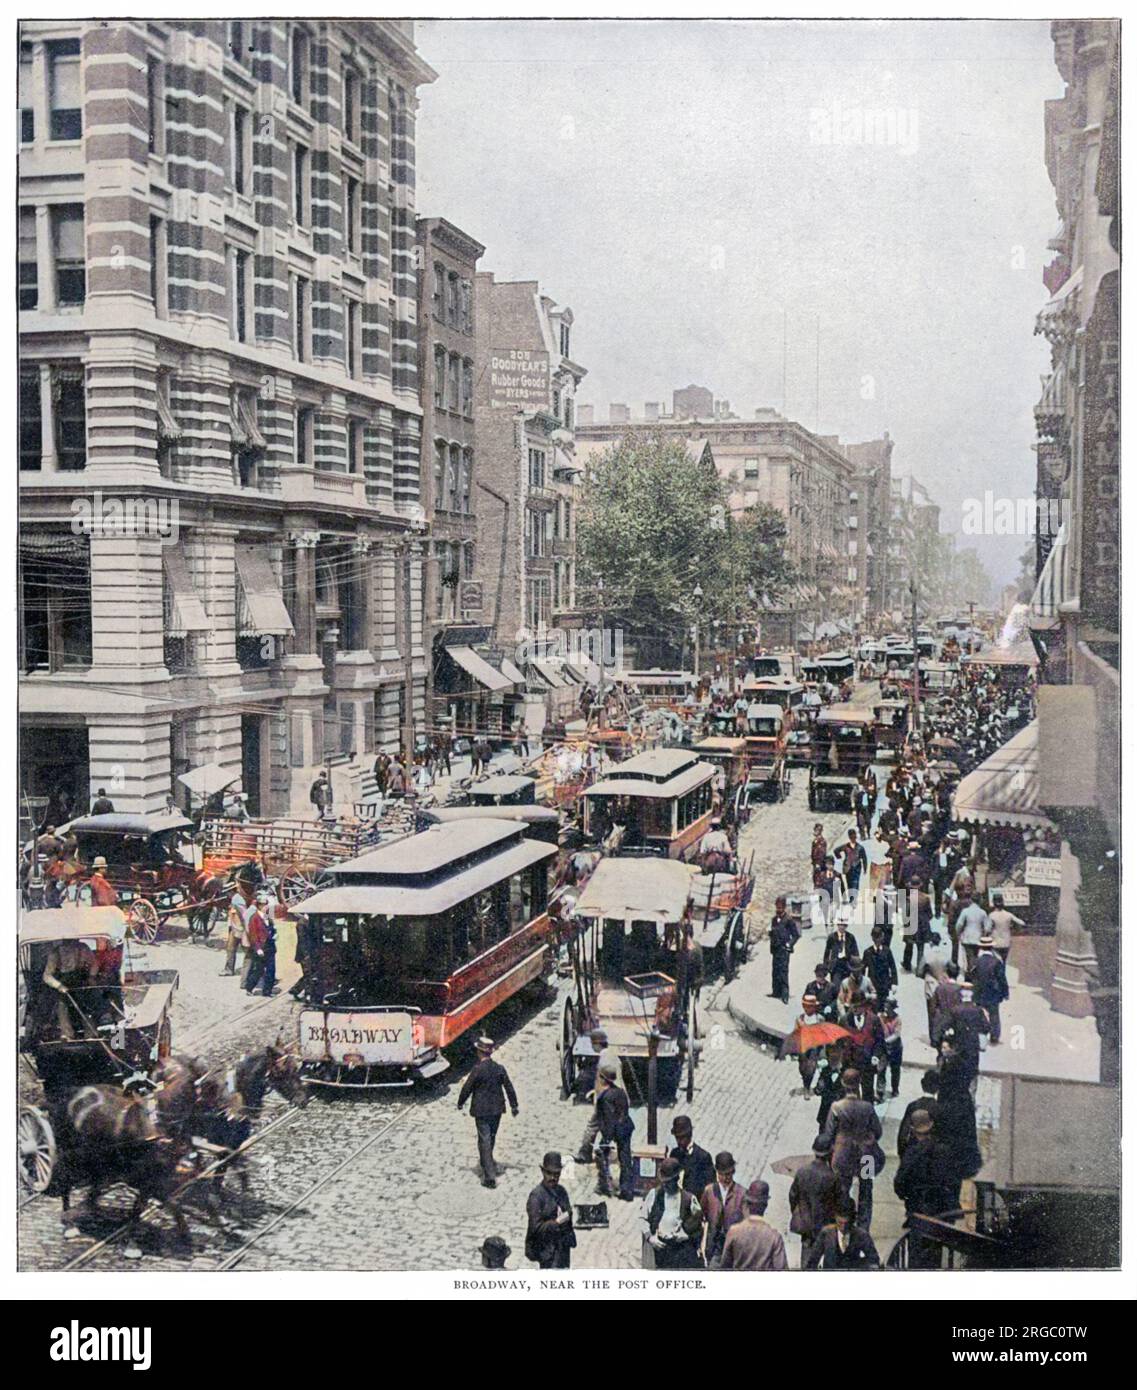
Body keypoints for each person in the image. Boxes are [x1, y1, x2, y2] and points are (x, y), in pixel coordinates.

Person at [822, 1068, 884, 1231]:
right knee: (866, 1189)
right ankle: (864, 1227)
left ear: (843, 1084)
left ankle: (842, 1223)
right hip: (867, 1154)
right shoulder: (868, 1107)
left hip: (843, 1154)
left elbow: (829, 1134)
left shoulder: (836, 1107)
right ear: (859, 1084)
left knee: (842, 1189)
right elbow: (878, 1131)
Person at [893, 1112, 958, 1268]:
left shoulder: (912, 1153)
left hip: (918, 1212)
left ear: (913, 1129)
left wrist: (907, 1197)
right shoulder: (945, 1151)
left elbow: (899, 1184)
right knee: (934, 1255)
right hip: (940, 1213)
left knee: (916, 1257)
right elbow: (953, 1182)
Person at [457, 1036, 519, 1189]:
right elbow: (509, 1087)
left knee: (484, 1140)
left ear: (479, 1052)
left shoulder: (477, 1070)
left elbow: (467, 1088)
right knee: (491, 1137)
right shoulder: (499, 1068)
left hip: (481, 1111)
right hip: (497, 1110)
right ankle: (488, 1161)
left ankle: (490, 1176)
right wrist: (514, 1106)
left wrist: (460, 1102)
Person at [641, 1157, 704, 1269]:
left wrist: (687, 1234)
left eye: (668, 1182)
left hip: (681, 1251)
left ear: (676, 1179)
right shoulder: (654, 1195)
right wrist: (650, 1238)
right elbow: (642, 1218)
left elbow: (700, 1222)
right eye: (663, 1182)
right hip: (660, 1248)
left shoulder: (688, 1198)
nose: (665, 1185)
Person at [789, 1135, 842, 1268]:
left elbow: (792, 1196)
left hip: (807, 1227)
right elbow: (839, 1202)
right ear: (830, 1153)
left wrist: (799, 1212)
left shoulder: (802, 1172)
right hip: (826, 1227)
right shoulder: (832, 1177)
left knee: (807, 1264)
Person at [720, 1181, 787, 1270]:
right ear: (765, 1205)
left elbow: (724, 1267)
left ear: (747, 1204)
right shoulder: (774, 1237)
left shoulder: (733, 1232)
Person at [525, 1153, 576, 1269]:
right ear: (543, 1172)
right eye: (549, 1173)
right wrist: (556, 1223)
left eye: (556, 1174)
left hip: (563, 1248)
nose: (553, 1178)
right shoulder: (536, 1196)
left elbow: (568, 1213)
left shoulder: (562, 1191)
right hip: (547, 1251)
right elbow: (535, 1228)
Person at [803, 1196, 881, 1270]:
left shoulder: (861, 1235)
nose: (843, 1228)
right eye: (840, 1223)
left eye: (846, 1224)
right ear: (835, 1217)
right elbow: (812, 1262)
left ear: (852, 1220)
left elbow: (874, 1260)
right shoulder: (826, 1233)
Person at [594, 1062, 635, 1200]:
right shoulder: (620, 1092)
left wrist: (606, 1139)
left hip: (616, 1130)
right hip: (626, 1127)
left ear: (603, 1079)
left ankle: (605, 1186)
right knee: (625, 1159)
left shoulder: (605, 1097)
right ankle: (627, 1190)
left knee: (600, 1154)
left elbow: (609, 1119)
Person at [700, 1152, 747, 1270]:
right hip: (715, 1248)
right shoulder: (709, 1191)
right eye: (722, 1174)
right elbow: (703, 1217)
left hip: (735, 1249)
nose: (726, 1178)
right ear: (717, 1172)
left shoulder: (742, 1193)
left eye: (729, 1174)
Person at [969, 936, 1009, 1045]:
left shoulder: (976, 961)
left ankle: (979, 1035)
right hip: (993, 992)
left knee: (979, 1013)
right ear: (991, 948)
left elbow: (971, 976)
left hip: (979, 991)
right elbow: (1002, 978)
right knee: (994, 1014)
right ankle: (994, 1036)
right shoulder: (996, 961)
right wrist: (1005, 993)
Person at [667, 1115, 715, 1198]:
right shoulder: (674, 1154)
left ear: (689, 1135)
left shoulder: (703, 1157)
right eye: (677, 1138)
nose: (679, 1141)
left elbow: (710, 1188)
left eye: (682, 1137)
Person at [898, 1071, 941, 1159]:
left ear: (922, 1084)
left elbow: (903, 1133)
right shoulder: (939, 1108)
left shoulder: (913, 1106)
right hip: (931, 1154)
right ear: (938, 1088)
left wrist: (903, 1154)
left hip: (912, 1150)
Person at [768, 896, 799, 1003]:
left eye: (780, 908)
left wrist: (789, 944)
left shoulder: (789, 920)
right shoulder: (774, 920)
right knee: (775, 971)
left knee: (783, 972)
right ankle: (775, 992)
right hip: (775, 949)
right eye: (777, 907)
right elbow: (773, 932)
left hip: (784, 950)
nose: (778, 910)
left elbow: (796, 935)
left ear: (784, 907)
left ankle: (785, 995)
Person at [242, 892, 274, 994]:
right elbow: (253, 934)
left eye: (266, 905)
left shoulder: (267, 916)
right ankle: (249, 988)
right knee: (258, 970)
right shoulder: (254, 918)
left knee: (271, 970)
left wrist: (274, 933)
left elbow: (271, 928)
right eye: (263, 905)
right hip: (261, 948)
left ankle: (267, 991)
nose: (265, 907)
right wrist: (258, 948)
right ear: (259, 906)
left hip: (270, 946)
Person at [955, 893, 992, 976]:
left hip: (967, 937)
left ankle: (971, 974)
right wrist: (984, 935)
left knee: (969, 958)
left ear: (971, 900)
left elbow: (959, 925)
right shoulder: (983, 912)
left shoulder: (965, 911)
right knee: (976, 956)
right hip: (978, 938)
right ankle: (975, 973)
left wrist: (958, 934)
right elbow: (987, 928)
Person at [863, 925, 898, 1007]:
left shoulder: (887, 951)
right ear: (873, 939)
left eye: (880, 937)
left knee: (883, 1008)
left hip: (885, 985)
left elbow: (893, 967)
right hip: (872, 985)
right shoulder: (868, 952)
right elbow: (862, 969)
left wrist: (894, 983)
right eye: (876, 938)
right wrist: (863, 984)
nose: (878, 940)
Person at [823, 912, 859, 986]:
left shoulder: (850, 937)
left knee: (848, 986)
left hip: (847, 964)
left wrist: (855, 966)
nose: (842, 927)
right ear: (837, 925)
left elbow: (856, 952)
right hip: (836, 965)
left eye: (844, 925)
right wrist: (826, 967)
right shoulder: (832, 937)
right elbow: (827, 953)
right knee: (836, 986)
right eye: (840, 925)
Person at [987, 893, 1023, 965]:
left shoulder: (991, 916)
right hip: (1006, 942)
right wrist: (1014, 928)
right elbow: (1021, 923)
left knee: (996, 963)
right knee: (1004, 962)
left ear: (994, 902)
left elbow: (987, 929)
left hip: (995, 942)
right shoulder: (1008, 915)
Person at [879, 999, 903, 1099]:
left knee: (895, 1069)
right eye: (885, 1006)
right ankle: (880, 1091)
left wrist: (886, 1040)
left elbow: (897, 1034)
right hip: (883, 1048)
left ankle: (895, 1089)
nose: (885, 1009)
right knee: (881, 1069)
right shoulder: (881, 1017)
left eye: (888, 1007)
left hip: (895, 1047)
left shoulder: (897, 1019)